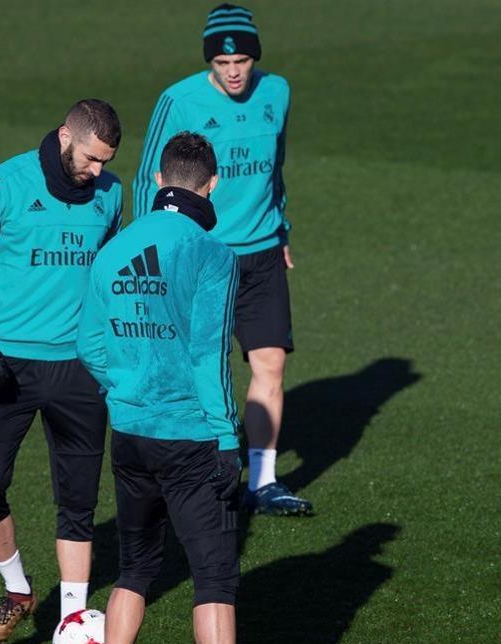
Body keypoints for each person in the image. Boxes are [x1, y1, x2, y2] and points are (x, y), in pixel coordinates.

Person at [0, 99, 123, 644]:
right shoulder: (5, 183)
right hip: (7, 365)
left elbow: (111, 275)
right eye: (90, 158)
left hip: (81, 368)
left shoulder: (111, 195)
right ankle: (18, 590)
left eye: (106, 161)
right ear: (66, 135)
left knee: (78, 501)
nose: (98, 171)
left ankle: (71, 621)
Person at [132, 3, 310, 516]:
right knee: (194, 369)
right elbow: (150, 178)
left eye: (243, 61)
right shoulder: (178, 101)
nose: (234, 72)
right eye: (223, 64)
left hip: (262, 254)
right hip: (203, 258)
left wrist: (282, 230)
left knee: (270, 364)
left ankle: (263, 482)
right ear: (210, 63)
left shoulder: (278, 93)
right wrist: (160, 247)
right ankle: (187, 473)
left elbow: (276, 170)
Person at [79, 132, 241, 644]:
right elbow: (210, 353)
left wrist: (124, 387)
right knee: (214, 576)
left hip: (128, 432)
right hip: (190, 436)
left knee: (135, 569)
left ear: (156, 178)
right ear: (212, 184)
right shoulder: (213, 254)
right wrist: (227, 438)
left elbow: (89, 346)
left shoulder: (113, 248)